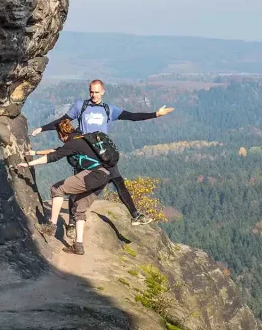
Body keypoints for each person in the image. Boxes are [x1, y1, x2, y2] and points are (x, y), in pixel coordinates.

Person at [31, 79, 174, 237]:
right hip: (85, 154)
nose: (93, 95)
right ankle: (72, 223)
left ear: (103, 92)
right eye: (91, 92)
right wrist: (42, 129)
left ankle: (135, 215)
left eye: (96, 92)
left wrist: (156, 114)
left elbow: (132, 116)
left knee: (119, 182)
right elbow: (62, 121)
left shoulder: (108, 109)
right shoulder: (81, 106)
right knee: (76, 188)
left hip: (104, 154)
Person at [18, 119, 111, 255]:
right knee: (79, 210)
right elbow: (58, 150)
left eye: (59, 136)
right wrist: (35, 153)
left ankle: (51, 226)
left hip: (93, 175)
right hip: (104, 176)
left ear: (62, 135)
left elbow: (54, 156)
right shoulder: (80, 139)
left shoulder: (73, 143)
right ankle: (78, 246)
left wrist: (28, 165)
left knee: (57, 189)